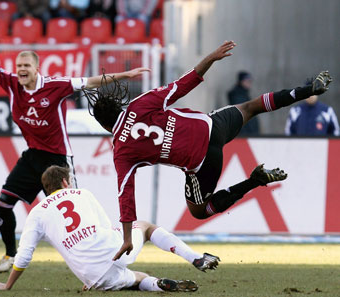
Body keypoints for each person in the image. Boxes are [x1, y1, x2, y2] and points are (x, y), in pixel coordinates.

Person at [83, 40, 332, 259]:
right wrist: (210, 58)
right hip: (211, 126)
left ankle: (253, 182)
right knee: (250, 107)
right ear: (119, 106)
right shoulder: (139, 104)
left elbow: (126, 194)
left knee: (199, 211)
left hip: (203, 161)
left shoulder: (121, 151)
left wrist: (128, 237)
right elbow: (182, 85)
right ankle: (305, 90)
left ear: (104, 125)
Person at [0, 10, 150, 273]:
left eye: (26, 67)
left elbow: (89, 82)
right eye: (19, 67)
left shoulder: (55, 86)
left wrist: (123, 76)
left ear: (37, 69)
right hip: (33, 156)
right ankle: (10, 255)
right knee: (3, 204)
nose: (21, 71)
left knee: (76, 215)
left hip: (58, 159)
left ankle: (105, 256)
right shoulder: (12, 84)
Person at [0, 165, 219, 292]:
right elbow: (107, 226)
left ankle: (158, 285)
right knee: (146, 227)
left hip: (91, 274)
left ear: (46, 189)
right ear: (66, 182)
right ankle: (196, 258)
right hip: (113, 248)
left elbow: (25, 255)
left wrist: (8, 286)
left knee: (138, 279)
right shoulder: (82, 193)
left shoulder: (37, 213)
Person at [227, 71, 260, 135]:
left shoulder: (244, 95)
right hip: (244, 134)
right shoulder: (237, 96)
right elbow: (242, 116)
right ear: (241, 81)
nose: (249, 83)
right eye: (247, 81)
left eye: (250, 81)